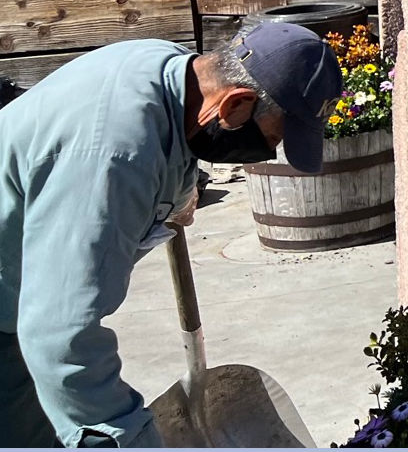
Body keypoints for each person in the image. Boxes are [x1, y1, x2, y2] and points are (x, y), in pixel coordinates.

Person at [0, 23, 342, 447]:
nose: (268, 152)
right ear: (237, 105)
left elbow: (175, 139)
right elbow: (62, 332)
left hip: (16, 295)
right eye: (273, 138)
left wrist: (178, 191)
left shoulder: (173, 67)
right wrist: (125, 438)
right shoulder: (114, 159)